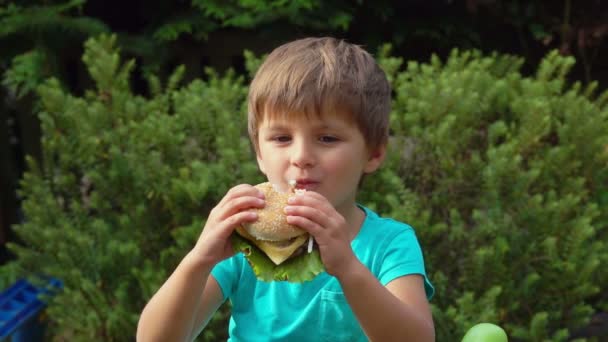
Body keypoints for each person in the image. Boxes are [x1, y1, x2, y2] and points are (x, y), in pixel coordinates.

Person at [137, 37, 435, 341]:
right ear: (259, 154)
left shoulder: (389, 244)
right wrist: (200, 259)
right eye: (281, 138)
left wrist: (348, 268)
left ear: (373, 154)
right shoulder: (246, 244)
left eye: (327, 138)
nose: (301, 157)